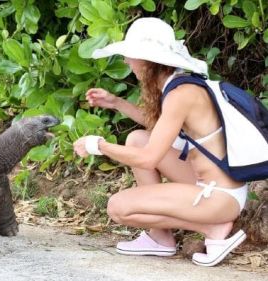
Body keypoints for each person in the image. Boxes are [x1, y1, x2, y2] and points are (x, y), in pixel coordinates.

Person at [72, 17, 248, 267]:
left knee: (118, 207)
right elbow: (160, 129)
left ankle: (211, 227)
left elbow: (149, 159)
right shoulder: (179, 85)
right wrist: (116, 103)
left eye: (130, 55)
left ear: (147, 61)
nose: (126, 61)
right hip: (211, 184)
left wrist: (98, 146)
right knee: (137, 139)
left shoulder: (180, 94)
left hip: (220, 197)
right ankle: (160, 238)